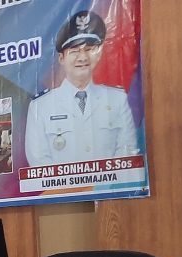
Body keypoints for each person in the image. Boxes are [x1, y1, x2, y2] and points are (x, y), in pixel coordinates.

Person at [25, 10, 138, 166]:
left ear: (98, 53)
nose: (83, 57)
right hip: (62, 183)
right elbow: (39, 162)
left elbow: (127, 152)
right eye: (74, 51)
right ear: (61, 58)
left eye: (89, 49)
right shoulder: (40, 106)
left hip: (112, 182)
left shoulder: (117, 99)